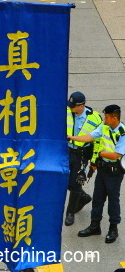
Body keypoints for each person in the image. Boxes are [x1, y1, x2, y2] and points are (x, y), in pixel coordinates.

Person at [70, 104, 125, 244]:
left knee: (113, 200)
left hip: (114, 171)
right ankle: (95, 226)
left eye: (106, 117)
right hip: (103, 169)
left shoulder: (122, 133)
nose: (104, 119)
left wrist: (101, 154)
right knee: (97, 198)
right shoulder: (104, 127)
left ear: (114, 118)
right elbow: (89, 137)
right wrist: (71, 137)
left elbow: (116, 154)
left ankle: (113, 228)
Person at [65, 91, 102, 227]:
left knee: (76, 182)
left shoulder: (96, 118)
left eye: (73, 106)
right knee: (65, 180)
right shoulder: (66, 112)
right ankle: (84, 197)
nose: (70, 108)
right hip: (66, 151)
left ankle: (70, 212)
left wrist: (94, 161)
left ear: (81, 106)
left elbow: (98, 142)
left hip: (82, 154)